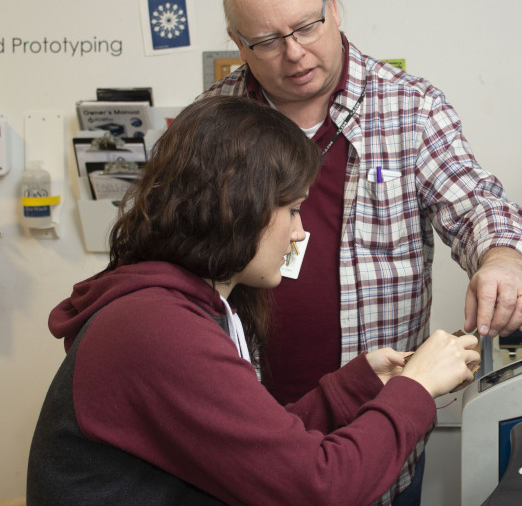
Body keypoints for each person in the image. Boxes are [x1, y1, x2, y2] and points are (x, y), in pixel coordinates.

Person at [199, 0, 522, 504]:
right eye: (269, 41)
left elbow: (476, 204)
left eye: (306, 26)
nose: (295, 53)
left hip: (379, 427)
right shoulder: (212, 124)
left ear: (335, 8)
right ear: (238, 44)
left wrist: (503, 261)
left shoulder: (409, 109)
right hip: (248, 431)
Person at [26, 96, 481, 506]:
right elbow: (321, 487)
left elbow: (256, 446)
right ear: (236, 205)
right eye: (292, 210)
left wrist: (360, 383)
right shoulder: (157, 329)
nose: (300, 232)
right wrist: (415, 389)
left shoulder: (181, 306)